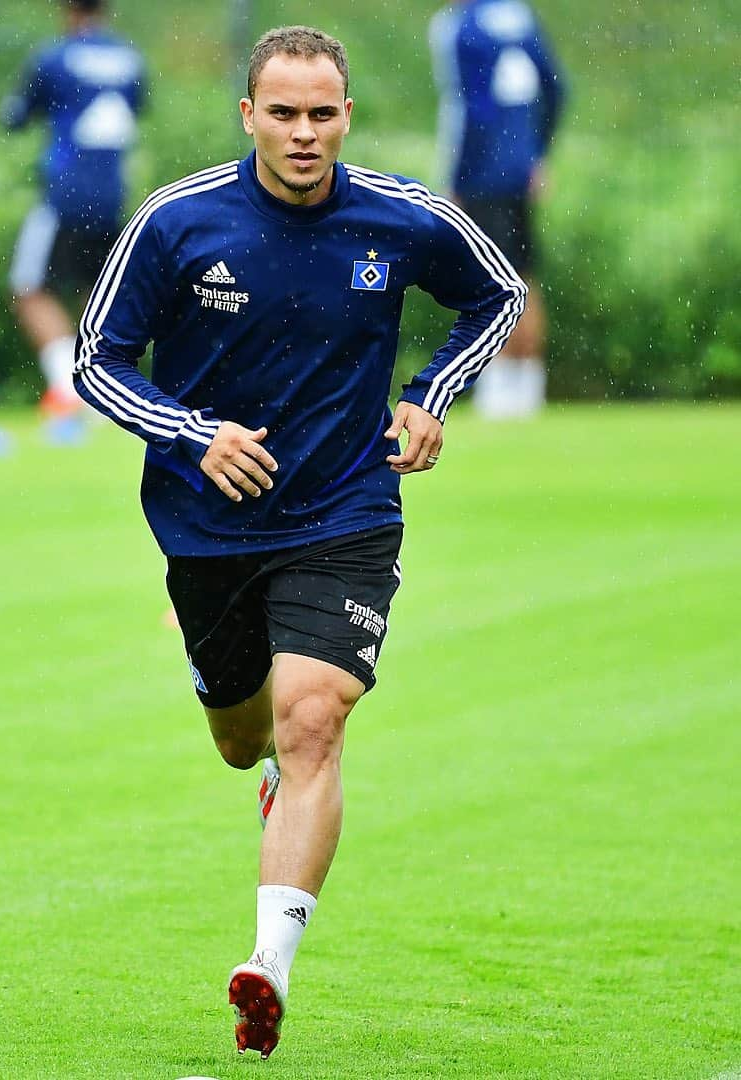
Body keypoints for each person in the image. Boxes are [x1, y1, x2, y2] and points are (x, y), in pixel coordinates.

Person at [74, 25, 526, 1059]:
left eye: (323, 112)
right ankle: (267, 773)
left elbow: (495, 294)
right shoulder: (177, 222)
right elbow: (98, 360)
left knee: (314, 717)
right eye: (283, 112)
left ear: (347, 115)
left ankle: (266, 967)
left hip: (347, 513)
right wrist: (196, 435)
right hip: (206, 526)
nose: (305, 132)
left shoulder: (401, 216)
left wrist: (430, 395)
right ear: (248, 116)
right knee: (245, 742)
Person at [0, 0, 145, 421]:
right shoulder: (130, 58)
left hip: (63, 196)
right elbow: (136, 108)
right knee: (97, 296)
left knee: (28, 289)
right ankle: (102, 389)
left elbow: (14, 116)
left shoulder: (53, 57)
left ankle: (68, 388)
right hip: (113, 196)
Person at [430, 0, 565, 418]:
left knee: (494, 279)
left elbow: (468, 105)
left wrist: (455, 174)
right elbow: (557, 87)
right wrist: (536, 152)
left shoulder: (457, 26)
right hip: (519, 169)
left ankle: (499, 392)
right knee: (525, 273)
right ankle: (528, 388)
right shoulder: (520, 15)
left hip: (482, 169)